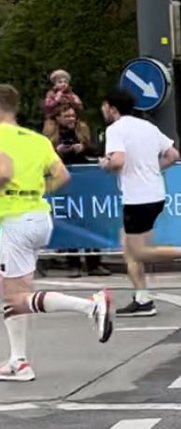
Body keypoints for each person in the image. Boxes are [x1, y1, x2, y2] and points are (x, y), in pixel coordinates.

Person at [0, 85, 111, 382]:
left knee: (17, 297)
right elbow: (62, 175)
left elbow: (2, 174)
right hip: (37, 216)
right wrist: (35, 193)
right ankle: (18, 360)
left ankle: (90, 306)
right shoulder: (35, 140)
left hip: (11, 221)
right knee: (13, 293)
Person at [99, 89, 181, 315]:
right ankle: (142, 300)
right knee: (128, 247)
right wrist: (153, 169)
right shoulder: (148, 127)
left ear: (113, 108)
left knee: (140, 252)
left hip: (137, 198)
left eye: (105, 106)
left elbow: (118, 160)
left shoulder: (115, 129)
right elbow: (174, 155)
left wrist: (105, 163)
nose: (104, 110)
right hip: (155, 194)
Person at [45, 103, 109, 278]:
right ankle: (72, 263)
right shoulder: (49, 136)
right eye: (67, 116)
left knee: (91, 220)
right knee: (70, 221)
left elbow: (97, 150)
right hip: (64, 182)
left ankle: (94, 262)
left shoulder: (83, 130)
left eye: (73, 116)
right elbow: (45, 157)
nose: (71, 119)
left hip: (85, 181)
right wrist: (58, 151)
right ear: (57, 118)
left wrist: (84, 147)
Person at [42, 69, 83, 134]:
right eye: (60, 82)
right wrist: (56, 100)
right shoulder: (51, 94)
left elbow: (79, 108)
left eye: (65, 82)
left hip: (72, 121)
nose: (63, 84)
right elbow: (47, 107)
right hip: (55, 121)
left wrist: (76, 102)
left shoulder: (72, 95)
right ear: (55, 84)